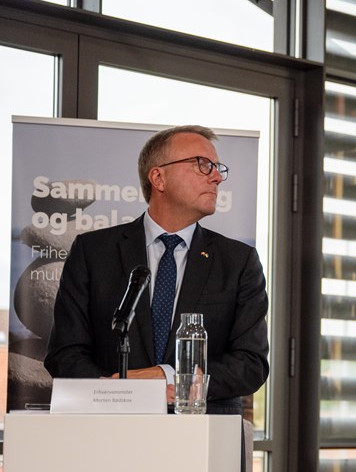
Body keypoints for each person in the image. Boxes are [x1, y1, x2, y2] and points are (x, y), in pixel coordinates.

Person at [44, 124, 269, 415]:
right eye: (202, 165)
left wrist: (167, 376)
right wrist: (118, 392)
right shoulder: (93, 252)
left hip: (203, 440)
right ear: (158, 177)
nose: (216, 177)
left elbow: (250, 364)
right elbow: (65, 353)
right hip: (110, 433)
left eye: (217, 168)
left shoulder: (239, 261)